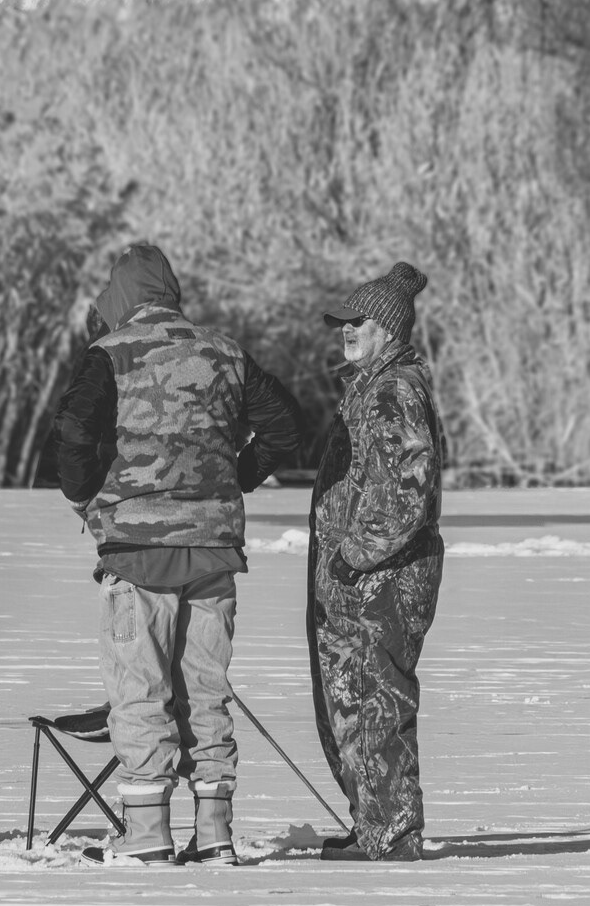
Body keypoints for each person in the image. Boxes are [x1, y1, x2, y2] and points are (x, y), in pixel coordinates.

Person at [55, 244, 301, 866]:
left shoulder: (108, 354)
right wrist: (233, 478)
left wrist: (92, 500)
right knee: (206, 691)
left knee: (139, 690)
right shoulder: (225, 351)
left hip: (137, 552)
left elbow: (74, 434)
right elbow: (285, 427)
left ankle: (146, 835)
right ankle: (215, 831)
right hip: (214, 552)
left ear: (119, 294)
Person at [309, 262, 446, 862]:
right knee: (350, 699)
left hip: (383, 581)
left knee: (378, 698)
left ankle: (392, 831)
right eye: (342, 320)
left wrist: (352, 557)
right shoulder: (369, 389)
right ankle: (374, 822)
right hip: (359, 580)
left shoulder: (393, 392)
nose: (346, 328)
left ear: (387, 329)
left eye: (357, 320)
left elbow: (406, 493)